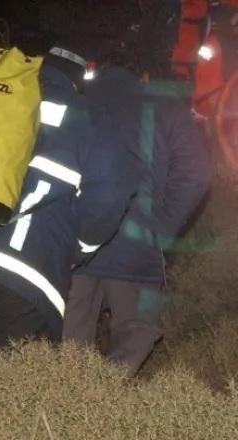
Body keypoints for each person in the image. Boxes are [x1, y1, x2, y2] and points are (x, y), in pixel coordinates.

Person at [0, 37, 138, 359]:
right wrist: (79, 249)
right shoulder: (90, 118)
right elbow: (112, 192)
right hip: (28, 276)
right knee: (14, 386)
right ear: (79, 80)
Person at [63, 11, 212, 376]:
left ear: (97, 70)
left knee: (68, 350)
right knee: (138, 331)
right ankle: (107, 395)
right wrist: (160, 229)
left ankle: (72, 399)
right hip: (137, 251)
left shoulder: (76, 100)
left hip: (77, 245)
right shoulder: (166, 106)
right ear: (145, 75)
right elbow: (197, 175)